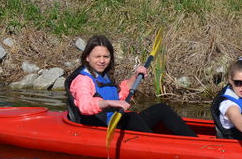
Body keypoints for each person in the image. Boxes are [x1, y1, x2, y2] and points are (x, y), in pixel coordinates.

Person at [66, 34, 196, 137]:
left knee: (161, 108)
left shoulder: (102, 75)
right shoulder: (83, 80)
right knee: (132, 117)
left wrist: (135, 77)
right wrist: (109, 103)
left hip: (116, 122)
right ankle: (157, 146)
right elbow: (85, 106)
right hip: (101, 128)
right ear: (87, 58)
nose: (102, 61)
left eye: (106, 56)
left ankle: (193, 141)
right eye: (97, 56)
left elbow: (120, 94)